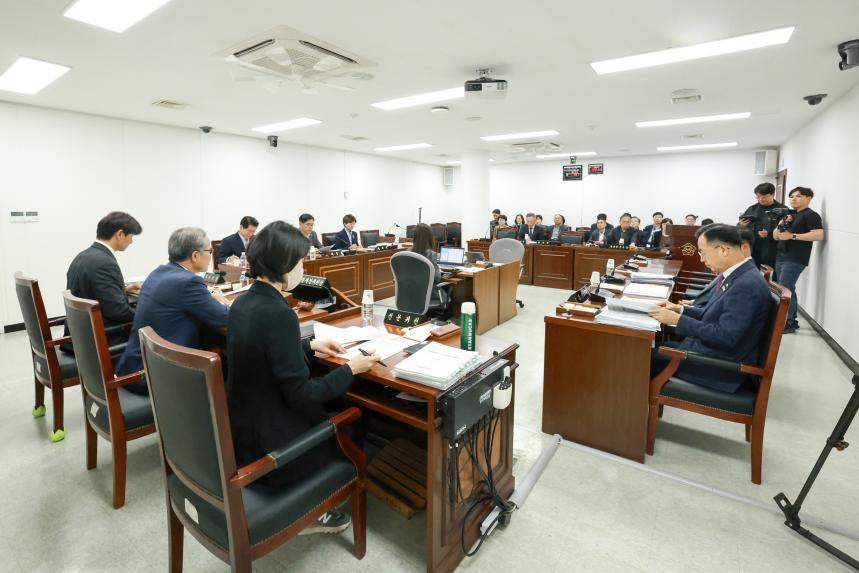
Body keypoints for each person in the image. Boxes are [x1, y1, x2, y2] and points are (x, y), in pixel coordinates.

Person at [225, 221, 379, 534]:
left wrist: (308, 346)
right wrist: (351, 369)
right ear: (283, 264)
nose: (303, 268)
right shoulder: (280, 313)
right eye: (300, 262)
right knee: (357, 414)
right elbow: (303, 395)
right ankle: (318, 501)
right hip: (275, 443)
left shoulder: (242, 303)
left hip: (243, 431)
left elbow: (263, 355)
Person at [648, 224, 773, 393]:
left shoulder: (747, 284)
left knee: (640, 355)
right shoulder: (739, 275)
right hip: (708, 352)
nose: (701, 259)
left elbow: (726, 337)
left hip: (719, 366)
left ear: (723, 250)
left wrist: (677, 320)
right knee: (652, 347)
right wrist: (679, 310)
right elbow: (712, 314)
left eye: (703, 252)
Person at [116, 227, 231, 394]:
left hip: (136, 366)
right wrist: (223, 302)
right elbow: (225, 317)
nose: (211, 255)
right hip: (157, 376)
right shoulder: (188, 282)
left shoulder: (158, 273)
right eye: (209, 251)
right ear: (195, 255)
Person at [65, 212, 143, 347]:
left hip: (80, 338)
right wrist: (148, 312)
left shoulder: (83, 256)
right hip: (101, 341)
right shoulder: (104, 263)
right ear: (120, 234)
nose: (131, 241)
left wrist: (122, 290)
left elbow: (90, 291)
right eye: (131, 236)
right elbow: (119, 311)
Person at [773, 187, 825, 333]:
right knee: (785, 288)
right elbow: (775, 236)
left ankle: (790, 321)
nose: (793, 199)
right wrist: (782, 223)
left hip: (795, 258)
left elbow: (819, 235)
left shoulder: (811, 215)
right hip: (781, 256)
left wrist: (792, 236)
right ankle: (787, 319)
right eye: (791, 196)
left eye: (798, 196)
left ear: (809, 198)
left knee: (786, 288)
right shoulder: (789, 215)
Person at [681, 227, 755, 309]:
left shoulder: (745, 282)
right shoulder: (733, 269)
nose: (702, 259)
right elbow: (714, 301)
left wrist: (678, 314)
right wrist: (684, 308)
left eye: (704, 252)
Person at [739, 182, 786, 269]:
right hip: (753, 248)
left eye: (764, 197)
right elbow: (740, 228)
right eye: (758, 197)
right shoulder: (752, 208)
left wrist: (769, 233)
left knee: (770, 274)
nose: (761, 199)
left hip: (772, 250)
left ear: (773, 194)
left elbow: (786, 231)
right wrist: (741, 225)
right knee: (752, 272)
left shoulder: (782, 210)